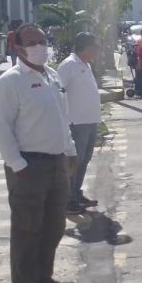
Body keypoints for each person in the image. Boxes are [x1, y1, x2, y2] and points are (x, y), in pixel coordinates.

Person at [0, 23, 78, 283]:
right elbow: (1, 128)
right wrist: (17, 164)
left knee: (53, 226)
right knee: (28, 229)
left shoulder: (51, 76)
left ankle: (44, 278)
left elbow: (62, 119)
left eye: (43, 40)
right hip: (28, 166)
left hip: (55, 163)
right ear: (17, 46)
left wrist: (70, 151)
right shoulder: (10, 81)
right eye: (32, 42)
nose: (40, 46)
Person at [58, 32, 102, 212]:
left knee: (84, 160)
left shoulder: (85, 64)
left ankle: (76, 193)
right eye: (95, 47)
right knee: (74, 161)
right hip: (76, 122)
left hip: (90, 120)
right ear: (85, 48)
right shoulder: (69, 65)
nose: (97, 51)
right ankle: (68, 199)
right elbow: (58, 92)